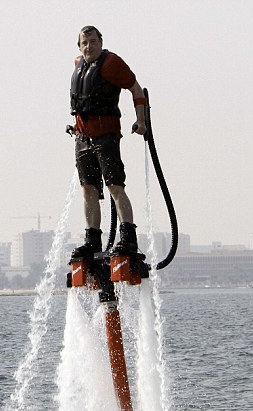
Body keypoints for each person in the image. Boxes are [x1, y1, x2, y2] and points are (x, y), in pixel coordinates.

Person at [68, 25, 147, 258]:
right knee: (88, 189)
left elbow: (136, 89)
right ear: (79, 46)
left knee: (114, 186)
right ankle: (92, 240)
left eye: (93, 41)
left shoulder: (111, 63)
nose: (89, 46)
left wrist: (140, 120)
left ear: (100, 42)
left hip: (106, 135)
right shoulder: (77, 65)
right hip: (83, 138)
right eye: (85, 42)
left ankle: (128, 238)